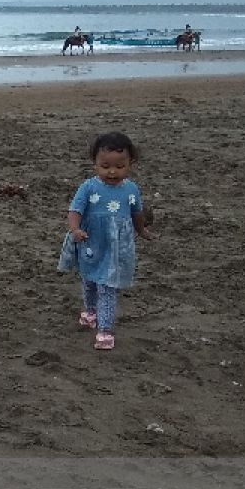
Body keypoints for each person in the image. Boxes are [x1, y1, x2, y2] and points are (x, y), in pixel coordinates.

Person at [57, 132, 155, 350]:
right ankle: (90, 312)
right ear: (95, 164)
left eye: (120, 167)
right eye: (105, 166)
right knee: (89, 280)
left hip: (116, 247)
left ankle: (105, 330)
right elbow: (75, 210)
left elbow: (136, 213)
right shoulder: (89, 187)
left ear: (130, 163)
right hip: (92, 243)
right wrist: (75, 229)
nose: (112, 172)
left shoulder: (131, 189)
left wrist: (142, 230)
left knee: (107, 286)